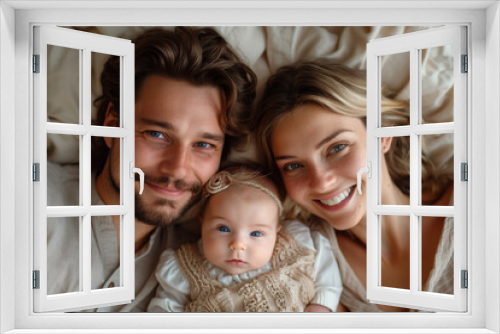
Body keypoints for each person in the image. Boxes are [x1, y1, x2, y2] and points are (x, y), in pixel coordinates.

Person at [46, 27, 257, 312]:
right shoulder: (28, 201)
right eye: (157, 134)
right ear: (111, 127)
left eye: (204, 144)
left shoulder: (204, 264)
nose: (178, 169)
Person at [254, 60, 454, 312]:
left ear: (382, 137)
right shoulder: (304, 263)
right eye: (294, 166)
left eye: (337, 148)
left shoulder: (470, 207)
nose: (322, 181)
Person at [147, 167, 342, 312]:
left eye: (256, 234)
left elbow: (328, 280)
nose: (237, 244)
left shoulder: (299, 245)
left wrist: (319, 309)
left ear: (277, 231)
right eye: (223, 228)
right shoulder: (184, 268)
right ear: (202, 224)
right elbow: (163, 313)